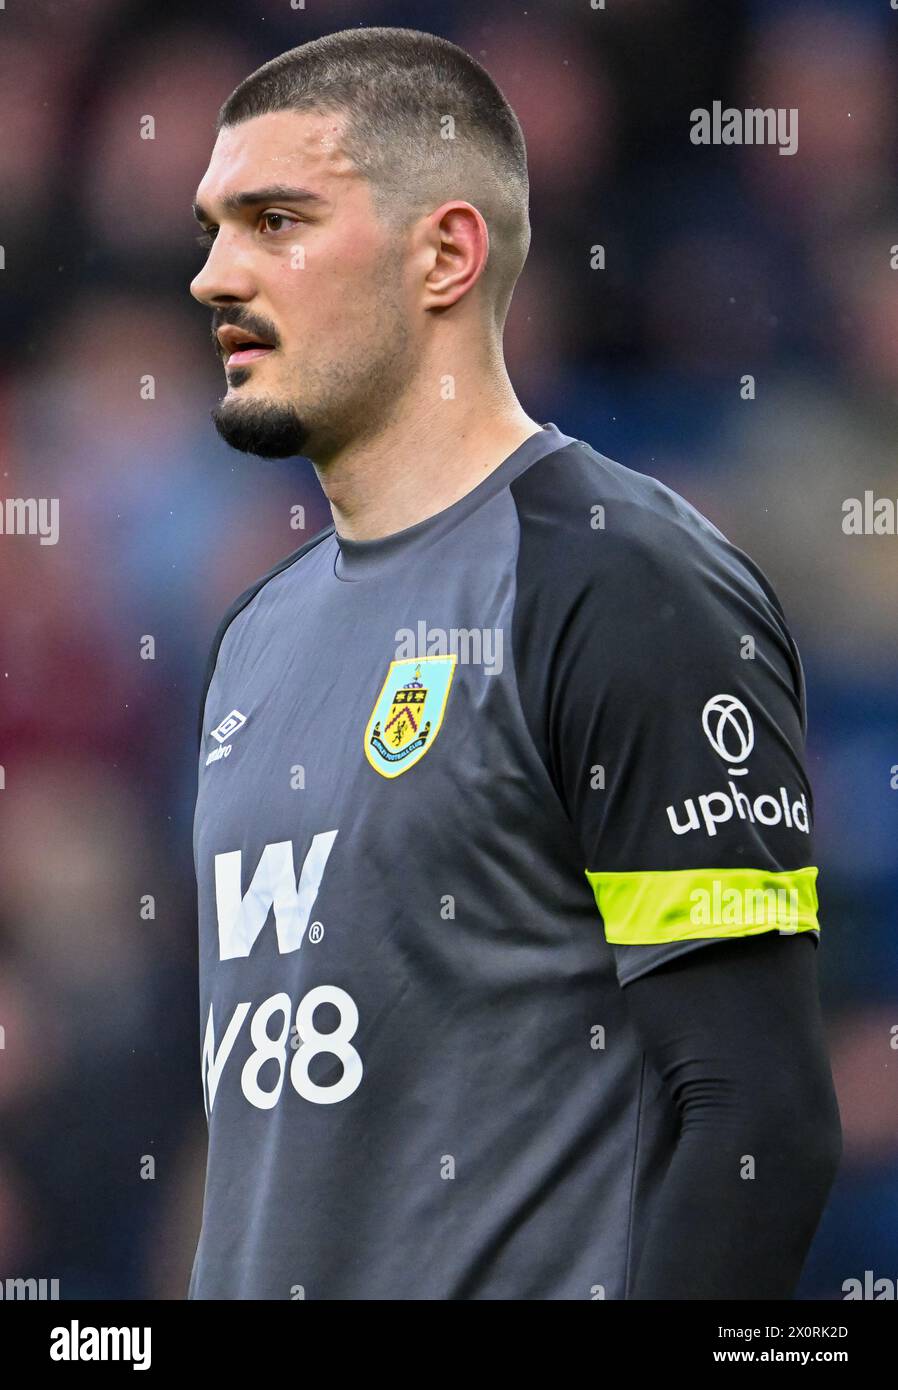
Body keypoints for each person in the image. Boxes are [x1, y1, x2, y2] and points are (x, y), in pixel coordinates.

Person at [187, 27, 841, 1300]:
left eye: (275, 220)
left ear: (446, 253)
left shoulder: (619, 578)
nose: (215, 275)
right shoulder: (249, 639)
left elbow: (756, 1120)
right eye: (212, 228)